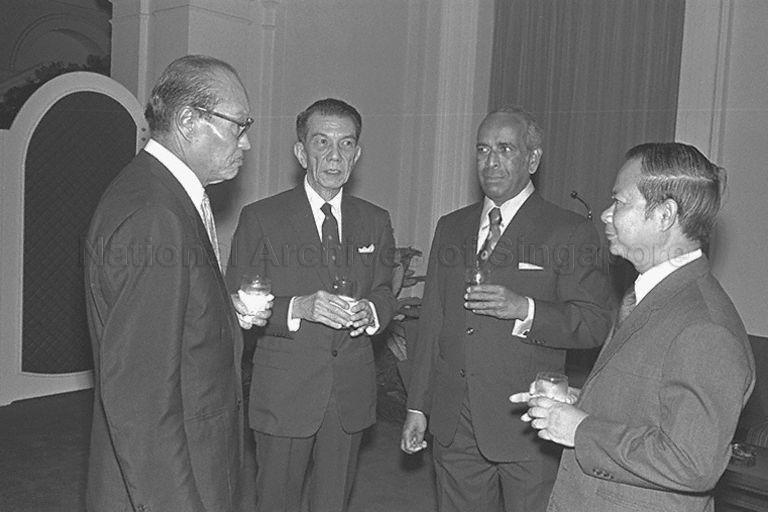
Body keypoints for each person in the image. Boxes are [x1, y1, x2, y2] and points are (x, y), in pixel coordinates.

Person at [512, 142, 756, 512]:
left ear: (664, 215)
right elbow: (649, 408)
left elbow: (693, 463)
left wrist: (580, 429)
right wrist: (577, 403)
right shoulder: (648, 296)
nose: (606, 215)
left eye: (621, 202)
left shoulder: (706, 328)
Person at [401, 105, 613, 512]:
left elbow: (594, 323)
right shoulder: (452, 226)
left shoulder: (568, 232)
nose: (491, 161)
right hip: (453, 424)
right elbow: (433, 326)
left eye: (505, 149)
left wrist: (525, 308)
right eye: (482, 150)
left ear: (532, 159)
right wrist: (417, 406)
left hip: (527, 425)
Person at [84, 54, 271, 512]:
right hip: (174, 480)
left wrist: (223, 312)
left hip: (196, 459)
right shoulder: (156, 216)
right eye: (239, 126)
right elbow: (142, 401)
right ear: (188, 120)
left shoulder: (161, 194)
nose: (245, 144)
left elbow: (168, 323)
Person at [225, 98, 397, 512]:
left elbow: (385, 291)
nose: (334, 156)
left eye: (346, 143)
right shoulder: (261, 218)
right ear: (301, 152)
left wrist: (371, 313)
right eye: (321, 142)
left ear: (357, 153)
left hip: (349, 394)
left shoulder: (376, 219)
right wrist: (296, 308)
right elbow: (234, 305)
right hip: (285, 394)